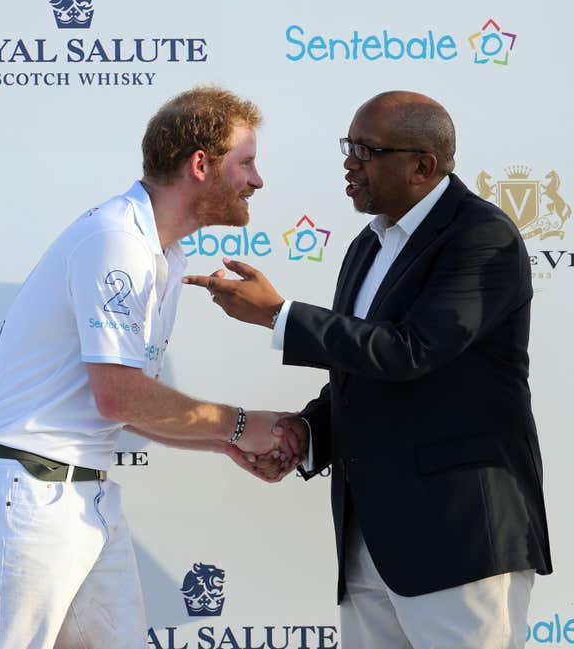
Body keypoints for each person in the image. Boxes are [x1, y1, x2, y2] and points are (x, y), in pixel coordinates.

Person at [183, 90, 553, 649]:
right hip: (368, 539)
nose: (348, 163)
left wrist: (279, 317)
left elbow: (412, 351)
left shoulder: (483, 237)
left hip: (461, 541)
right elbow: (360, 372)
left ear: (422, 165)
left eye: (365, 150)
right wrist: (308, 434)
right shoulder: (367, 245)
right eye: (347, 147)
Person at [0, 86, 299, 649]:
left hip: (82, 496)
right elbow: (119, 396)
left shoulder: (166, 253)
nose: (256, 180)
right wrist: (239, 423)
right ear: (201, 165)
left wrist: (224, 444)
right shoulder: (116, 241)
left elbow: (124, 402)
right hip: (29, 496)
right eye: (247, 163)